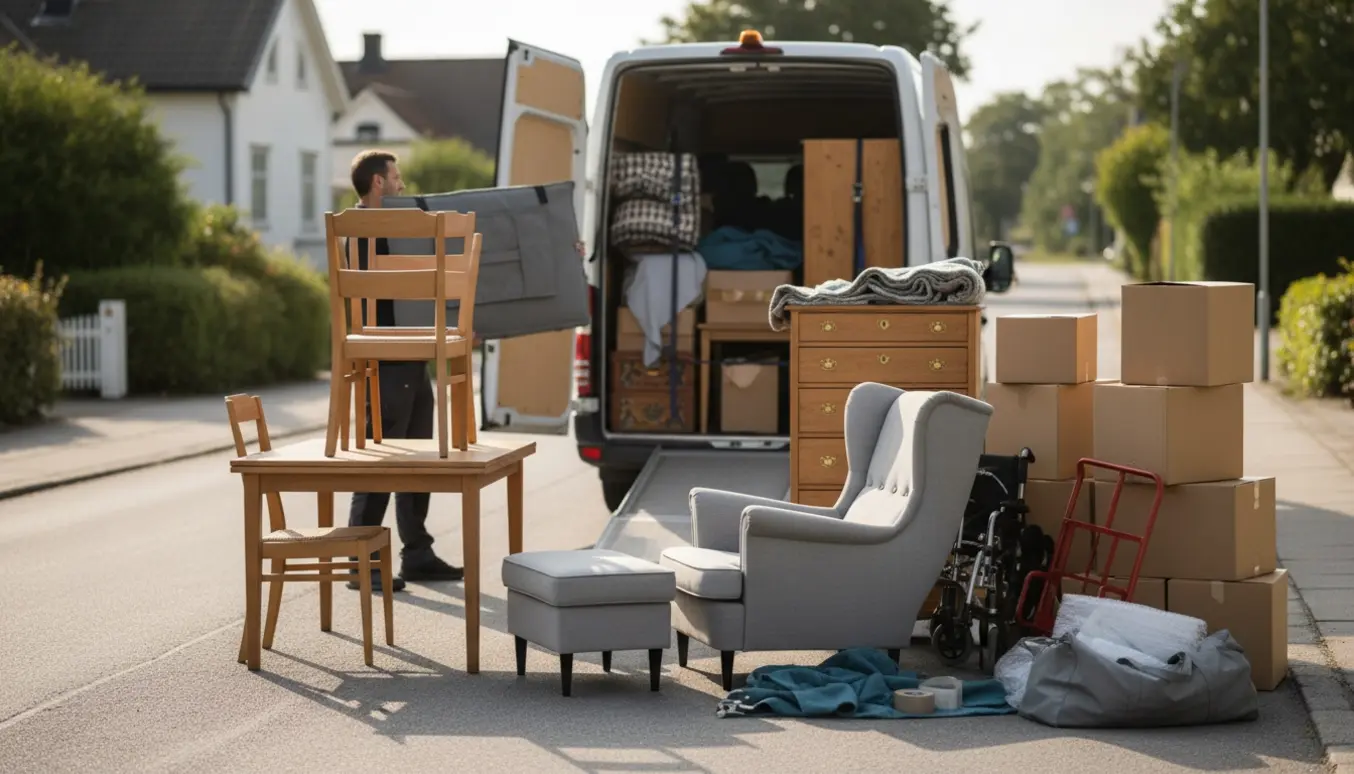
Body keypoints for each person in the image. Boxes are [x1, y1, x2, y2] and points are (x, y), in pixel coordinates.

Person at [344, 149, 464, 592]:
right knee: (382, 460)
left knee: (416, 459)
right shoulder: (363, 228)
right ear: (378, 182)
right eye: (396, 178)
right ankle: (360, 561)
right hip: (386, 358)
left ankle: (417, 553)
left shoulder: (393, 227)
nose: (402, 184)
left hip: (412, 351)